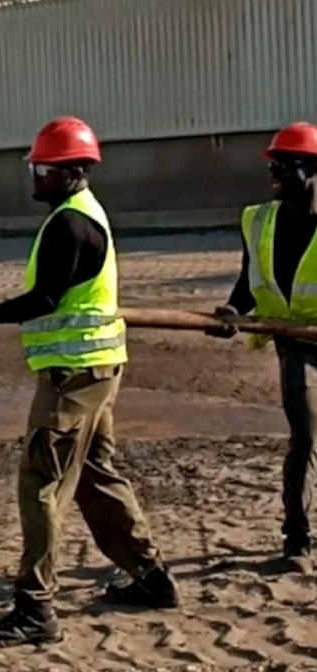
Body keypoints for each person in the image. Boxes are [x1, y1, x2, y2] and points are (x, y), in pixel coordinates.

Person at [0, 115, 179, 647]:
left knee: (40, 483)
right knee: (94, 476)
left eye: (44, 168)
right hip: (95, 371)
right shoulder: (80, 214)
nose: (35, 175)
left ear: (73, 172)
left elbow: (44, 299)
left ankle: (35, 608)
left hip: (72, 378)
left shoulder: (71, 224)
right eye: (35, 166)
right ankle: (152, 578)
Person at [207, 121, 317, 570]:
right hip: (295, 341)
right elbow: (246, 284)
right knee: (306, 434)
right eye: (271, 164)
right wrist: (232, 314)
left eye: (282, 165)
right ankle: (298, 538)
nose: (272, 173)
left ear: (311, 171)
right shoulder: (258, 219)